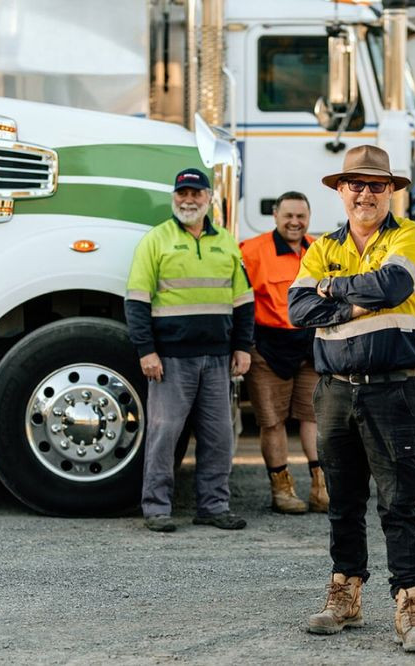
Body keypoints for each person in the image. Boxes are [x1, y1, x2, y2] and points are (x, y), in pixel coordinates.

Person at [288, 145, 415, 653]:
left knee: (399, 502)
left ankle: (410, 604)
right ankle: (345, 594)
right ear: (341, 190)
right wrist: (351, 302)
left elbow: (393, 285)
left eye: (377, 185)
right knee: (343, 501)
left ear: (391, 191)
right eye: (356, 184)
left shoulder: (412, 237)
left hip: (393, 389)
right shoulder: (321, 244)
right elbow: (297, 307)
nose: (366, 193)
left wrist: (333, 290)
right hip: (333, 392)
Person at [125, 167, 254, 532]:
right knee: (164, 436)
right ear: (174, 198)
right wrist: (146, 351)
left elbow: (244, 300)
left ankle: (214, 506)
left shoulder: (226, 242)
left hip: (217, 358)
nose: (189, 199)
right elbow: (136, 300)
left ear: (209, 198)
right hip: (170, 359)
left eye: (196, 193)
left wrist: (243, 347)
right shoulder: (156, 240)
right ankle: (156, 508)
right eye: (183, 193)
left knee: (219, 437)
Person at [240, 191, 329, 514]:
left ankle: (321, 488)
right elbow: (241, 301)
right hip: (267, 348)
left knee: (313, 417)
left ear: (308, 217)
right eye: (288, 215)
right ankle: (282, 490)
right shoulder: (252, 251)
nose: (295, 222)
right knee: (272, 421)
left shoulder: (318, 249)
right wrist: (244, 345)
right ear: (275, 215)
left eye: (301, 216)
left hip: (309, 345)